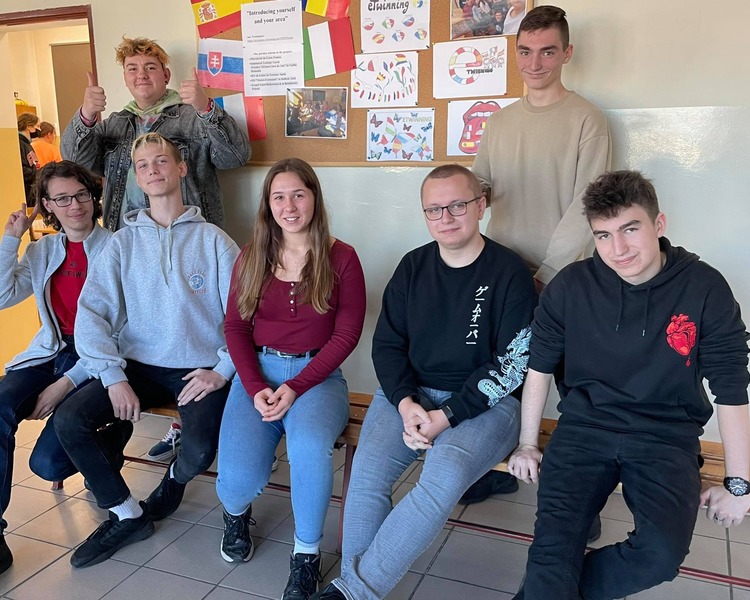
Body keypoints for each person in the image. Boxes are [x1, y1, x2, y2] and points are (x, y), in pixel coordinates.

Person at [507, 170, 750, 599]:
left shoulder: (704, 288)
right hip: (583, 430)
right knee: (552, 554)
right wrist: (527, 443)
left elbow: (731, 387)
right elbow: (539, 367)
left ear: (659, 224)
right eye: (603, 235)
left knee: (658, 556)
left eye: (630, 229)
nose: (617, 249)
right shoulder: (570, 286)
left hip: (665, 436)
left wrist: (739, 484)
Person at [312, 165, 537, 600]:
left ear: (481, 206)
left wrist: (447, 415)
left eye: (458, 205)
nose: (446, 217)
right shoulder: (413, 266)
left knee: (441, 479)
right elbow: (387, 345)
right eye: (434, 209)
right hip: (410, 396)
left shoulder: (509, 272)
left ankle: (352, 592)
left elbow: (513, 365)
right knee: (366, 477)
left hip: (488, 404)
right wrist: (404, 402)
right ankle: (357, 591)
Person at [55, 132, 239, 568]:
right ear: (137, 178)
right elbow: (91, 314)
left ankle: (172, 484)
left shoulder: (215, 241)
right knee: (70, 419)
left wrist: (224, 368)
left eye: (161, 161)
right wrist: (113, 376)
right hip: (137, 365)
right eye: (143, 165)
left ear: (181, 169)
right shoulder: (122, 243)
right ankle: (127, 513)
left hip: (199, 369)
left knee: (199, 450)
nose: (153, 170)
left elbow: (243, 315)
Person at [467, 4, 612, 505]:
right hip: (500, 271)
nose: (535, 63)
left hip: (563, 275)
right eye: (525, 51)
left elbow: (589, 206)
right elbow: (481, 186)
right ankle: (495, 466)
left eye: (547, 51)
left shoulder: (587, 119)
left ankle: (580, 498)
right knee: (498, 371)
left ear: (566, 53)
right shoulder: (499, 122)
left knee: (573, 385)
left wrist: (548, 272)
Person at [217, 158, 366, 600]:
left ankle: (306, 555)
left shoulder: (343, 258)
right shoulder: (251, 255)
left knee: (309, 448)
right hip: (257, 376)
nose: (289, 206)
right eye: (278, 197)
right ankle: (236, 514)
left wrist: (296, 386)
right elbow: (235, 328)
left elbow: (347, 335)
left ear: (315, 197)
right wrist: (254, 387)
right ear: (268, 204)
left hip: (317, 379)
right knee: (237, 481)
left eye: (298, 194)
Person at [0, 161, 120, 574]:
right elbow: (2, 295)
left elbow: (125, 331)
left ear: (93, 196)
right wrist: (11, 239)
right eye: (63, 199)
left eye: (82, 194)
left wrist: (65, 384)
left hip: (97, 357)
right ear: (47, 205)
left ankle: (109, 439)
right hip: (50, 350)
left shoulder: (117, 248)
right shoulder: (42, 251)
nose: (75, 206)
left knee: (47, 464)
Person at [60, 36, 251, 231]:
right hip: (126, 238)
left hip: (187, 237)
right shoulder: (114, 124)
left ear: (166, 75)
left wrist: (206, 109)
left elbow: (236, 156)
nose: (141, 75)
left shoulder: (193, 118)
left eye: (150, 67)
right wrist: (86, 114)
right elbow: (74, 161)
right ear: (125, 78)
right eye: (132, 69)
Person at [17, 113, 41, 205]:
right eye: (37, 126)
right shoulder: (20, 144)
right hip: (27, 189)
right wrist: (37, 173)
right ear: (28, 126)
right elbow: (21, 169)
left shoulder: (27, 144)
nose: (39, 130)